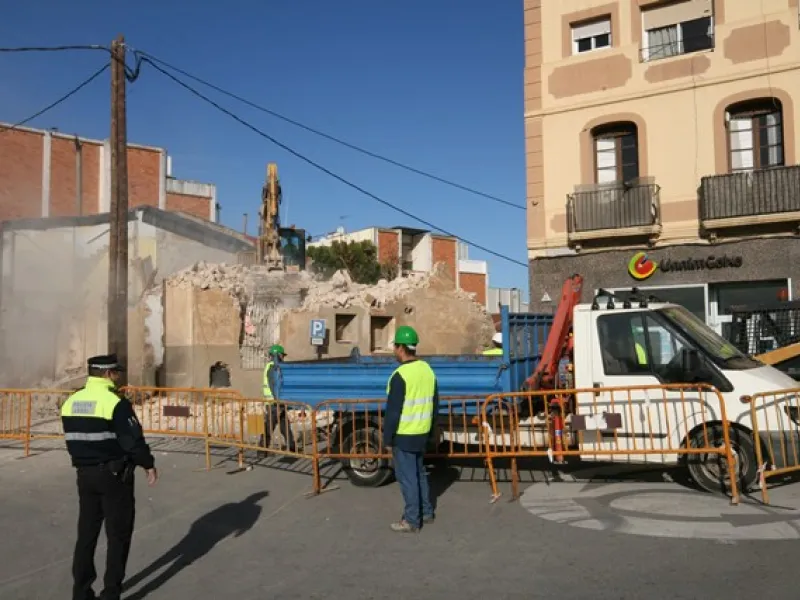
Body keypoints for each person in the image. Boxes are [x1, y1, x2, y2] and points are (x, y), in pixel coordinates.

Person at [61, 354, 158, 600]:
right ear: (106, 374)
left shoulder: (72, 401)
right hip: (114, 476)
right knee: (118, 535)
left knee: (86, 535)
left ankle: (81, 593)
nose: (118, 377)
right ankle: (111, 593)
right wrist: (148, 464)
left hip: (84, 475)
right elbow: (132, 440)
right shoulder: (115, 402)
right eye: (116, 373)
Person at [384, 325, 438, 533]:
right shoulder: (427, 370)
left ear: (400, 348)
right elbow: (435, 403)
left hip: (404, 435)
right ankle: (426, 512)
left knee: (408, 479)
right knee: (420, 474)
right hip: (421, 433)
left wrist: (388, 439)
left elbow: (393, 412)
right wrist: (432, 432)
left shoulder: (400, 375)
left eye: (395, 347)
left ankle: (411, 520)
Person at [258, 343, 296, 456]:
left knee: (285, 426)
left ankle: (292, 447)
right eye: (282, 355)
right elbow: (274, 386)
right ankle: (261, 450)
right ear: (277, 355)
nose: (283, 358)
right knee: (269, 428)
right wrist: (278, 402)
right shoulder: (273, 368)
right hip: (274, 403)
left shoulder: (273, 366)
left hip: (277, 402)